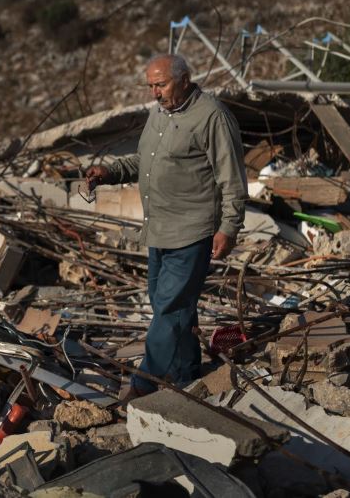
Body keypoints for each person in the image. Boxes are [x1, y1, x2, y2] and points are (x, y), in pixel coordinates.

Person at [85, 54, 247, 398]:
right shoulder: (159, 113)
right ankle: (187, 373)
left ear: (185, 80)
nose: (155, 93)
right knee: (170, 307)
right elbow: (145, 160)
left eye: (161, 85)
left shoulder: (212, 117)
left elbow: (232, 179)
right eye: (151, 86)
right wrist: (110, 172)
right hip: (159, 230)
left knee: (170, 310)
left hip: (192, 232)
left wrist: (229, 228)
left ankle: (144, 385)